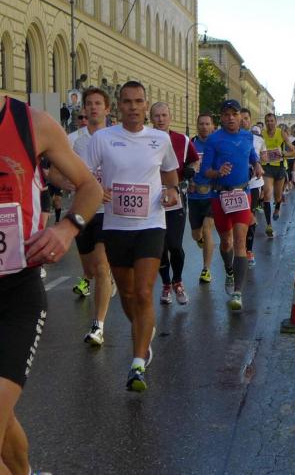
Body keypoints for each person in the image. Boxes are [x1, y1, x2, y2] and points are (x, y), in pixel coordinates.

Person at [0, 95, 103, 475]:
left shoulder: (32, 123)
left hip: (14, 296)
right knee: (4, 417)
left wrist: (67, 227)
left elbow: (89, 186)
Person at [85, 81, 181, 392]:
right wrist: (97, 189)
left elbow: (170, 174)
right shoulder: (103, 138)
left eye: (139, 101)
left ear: (146, 105)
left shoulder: (160, 139)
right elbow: (84, 174)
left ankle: (137, 363)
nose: (133, 107)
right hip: (116, 226)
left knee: (142, 292)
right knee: (127, 295)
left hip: (151, 224)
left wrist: (171, 190)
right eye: (127, 101)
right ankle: (142, 328)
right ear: (119, 105)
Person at [60, 88, 117, 345]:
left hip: (109, 212)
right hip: (82, 210)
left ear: (107, 109)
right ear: (83, 108)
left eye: (98, 103)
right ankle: (104, 279)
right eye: (89, 104)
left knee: (102, 266)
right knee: (90, 269)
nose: (93, 107)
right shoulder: (72, 140)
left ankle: (98, 326)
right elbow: (54, 172)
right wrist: (72, 183)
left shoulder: (117, 138)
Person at [199, 100, 263, 311]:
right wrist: (218, 172)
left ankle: (237, 292)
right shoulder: (214, 139)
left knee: (239, 242)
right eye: (226, 114)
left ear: (239, 116)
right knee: (226, 241)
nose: (231, 118)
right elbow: (205, 171)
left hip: (242, 194)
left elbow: (252, 155)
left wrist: (257, 165)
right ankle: (229, 270)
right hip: (220, 196)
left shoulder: (247, 136)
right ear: (221, 117)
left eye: (234, 114)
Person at [150, 102, 199, 305]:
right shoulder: (145, 139)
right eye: (157, 115)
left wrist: (191, 169)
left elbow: (195, 160)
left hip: (175, 196)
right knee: (160, 247)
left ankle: (178, 282)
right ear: (151, 118)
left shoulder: (182, 140)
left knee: (175, 245)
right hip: (152, 199)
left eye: (164, 115)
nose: (161, 119)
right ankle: (166, 284)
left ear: (170, 117)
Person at [188, 113, 216, 284]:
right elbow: (184, 166)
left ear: (212, 126)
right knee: (196, 234)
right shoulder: (190, 144)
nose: (204, 127)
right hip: (194, 194)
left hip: (212, 194)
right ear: (197, 125)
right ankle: (201, 241)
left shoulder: (216, 144)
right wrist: (189, 180)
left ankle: (206, 269)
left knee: (207, 229)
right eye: (201, 124)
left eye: (207, 124)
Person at [260, 113, 295, 236]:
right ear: (265, 122)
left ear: (275, 122)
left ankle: (277, 207)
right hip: (266, 167)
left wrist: (283, 154)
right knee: (267, 194)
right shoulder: (262, 134)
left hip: (279, 167)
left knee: (278, 196)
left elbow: (293, 152)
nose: (269, 123)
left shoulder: (281, 133)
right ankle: (269, 225)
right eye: (267, 121)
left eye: (271, 121)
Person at [242, 110, 265, 266]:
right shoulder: (228, 138)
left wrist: (259, 165)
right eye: (241, 118)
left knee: (250, 215)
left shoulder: (258, 140)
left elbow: (263, 157)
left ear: (250, 121)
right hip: (235, 184)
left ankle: (248, 250)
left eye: (246, 118)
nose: (243, 121)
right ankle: (238, 246)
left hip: (253, 183)